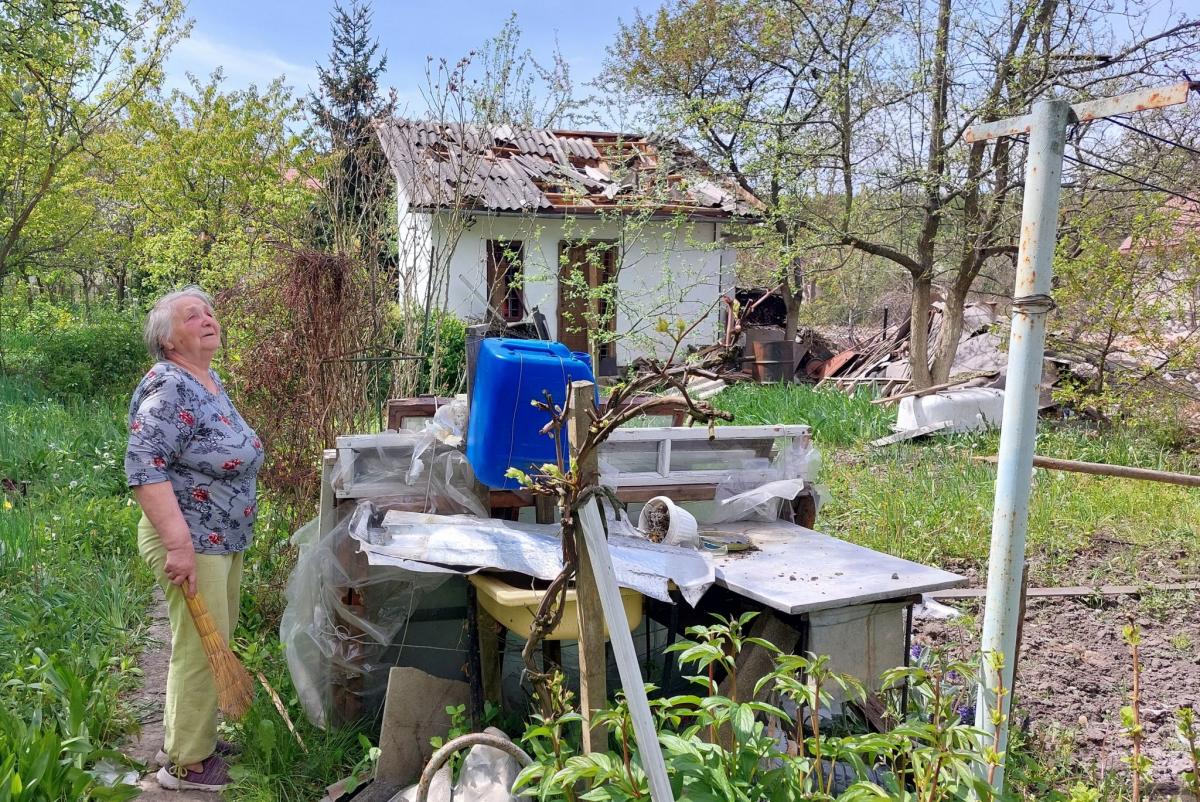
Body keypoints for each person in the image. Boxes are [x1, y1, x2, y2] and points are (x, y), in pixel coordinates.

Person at [125, 286, 263, 792]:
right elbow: (143, 466)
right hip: (191, 539)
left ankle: (189, 737)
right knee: (201, 649)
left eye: (209, 311)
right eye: (191, 315)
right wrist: (179, 544)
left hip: (219, 536)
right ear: (168, 340)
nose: (207, 319)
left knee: (212, 642)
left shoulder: (205, 379)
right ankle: (186, 765)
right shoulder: (169, 386)